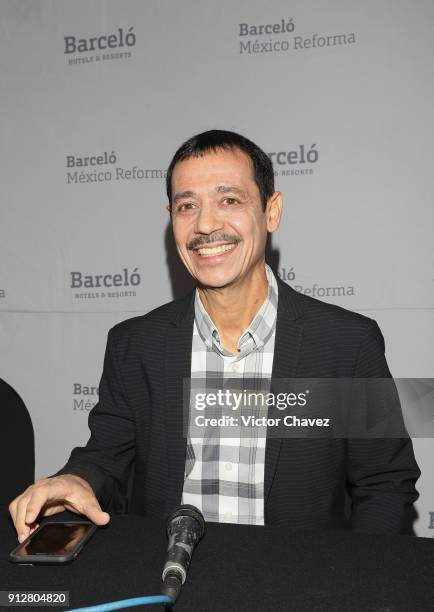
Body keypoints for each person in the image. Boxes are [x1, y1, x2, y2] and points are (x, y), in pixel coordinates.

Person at [9, 130, 420, 542]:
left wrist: (349, 585)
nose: (205, 224)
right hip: (169, 582)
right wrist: (78, 481)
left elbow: (384, 485)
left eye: (230, 200)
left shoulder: (345, 344)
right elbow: (108, 456)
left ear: (271, 211)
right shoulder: (134, 346)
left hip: (300, 587)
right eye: (187, 206)